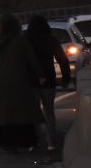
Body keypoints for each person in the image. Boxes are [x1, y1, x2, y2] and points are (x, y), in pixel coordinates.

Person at [0, 14, 45, 152]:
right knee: (22, 112)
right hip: (19, 80)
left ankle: (8, 144)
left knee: (4, 114)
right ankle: (25, 141)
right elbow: (32, 60)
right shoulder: (21, 41)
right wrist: (40, 75)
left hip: (0, 83)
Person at [26, 15, 71, 151]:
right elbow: (62, 60)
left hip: (31, 80)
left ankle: (35, 142)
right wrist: (65, 78)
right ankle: (51, 142)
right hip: (49, 79)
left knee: (34, 113)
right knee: (49, 112)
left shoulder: (26, 40)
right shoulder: (51, 40)